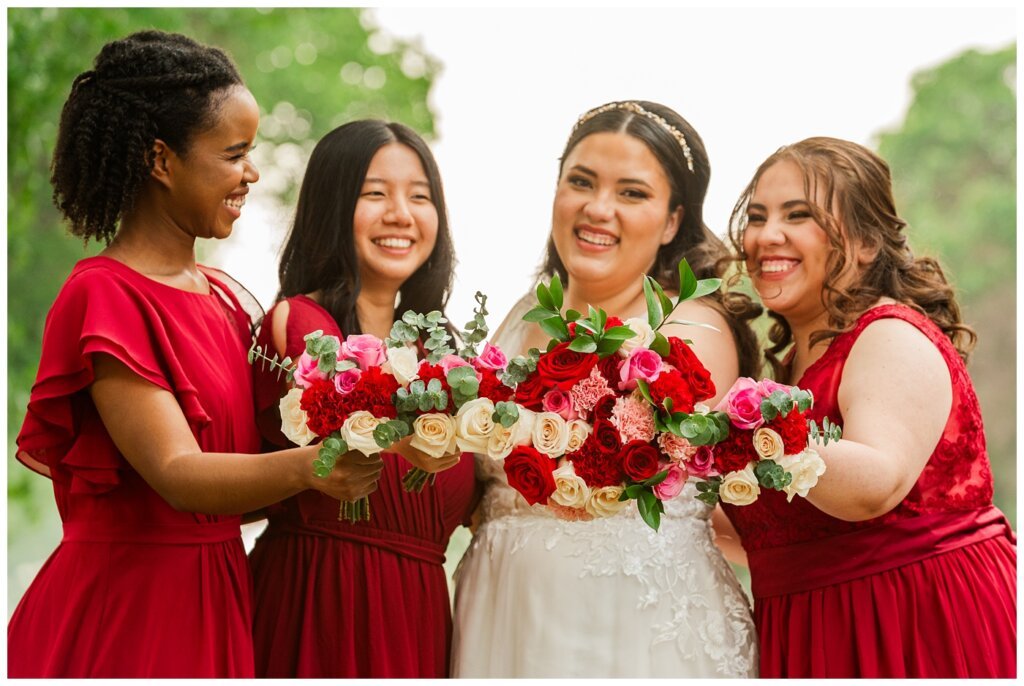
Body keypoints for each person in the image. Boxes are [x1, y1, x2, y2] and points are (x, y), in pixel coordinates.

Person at [7, 31, 383, 678]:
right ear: (161, 160)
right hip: (129, 610)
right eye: (234, 153)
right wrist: (311, 467)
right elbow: (178, 472)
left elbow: (240, 485)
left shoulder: (227, 300)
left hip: (219, 594)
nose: (252, 172)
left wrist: (374, 432)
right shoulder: (105, 295)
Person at [451, 100, 762, 678]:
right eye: (581, 182)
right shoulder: (521, 319)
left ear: (673, 220)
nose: (597, 209)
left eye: (632, 193)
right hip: (504, 618)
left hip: (636, 629)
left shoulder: (692, 328)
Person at [722, 136, 1016, 678]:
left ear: (865, 243)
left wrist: (748, 429)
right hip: (807, 630)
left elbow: (874, 484)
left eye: (798, 215)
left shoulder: (889, 336)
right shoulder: (784, 374)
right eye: (757, 217)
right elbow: (770, 533)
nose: (766, 235)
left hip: (912, 623)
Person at [248, 119, 478, 678]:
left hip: (418, 616)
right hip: (320, 599)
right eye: (375, 193)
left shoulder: (444, 358)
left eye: (419, 196)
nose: (401, 213)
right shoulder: (300, 326)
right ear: (332, 205)